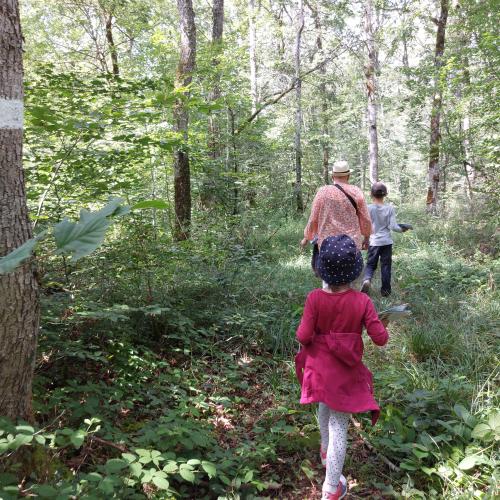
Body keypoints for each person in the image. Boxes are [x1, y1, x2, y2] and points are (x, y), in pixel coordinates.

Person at [295, 234, 389, 499]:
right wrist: (382, 324)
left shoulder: (315, 298)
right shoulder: (362, 302)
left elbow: (303, 336)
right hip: (344, 375)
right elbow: (380, 339)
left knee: (325, 406)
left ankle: (325, 451)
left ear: (322, 269)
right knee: (340, 427)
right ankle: (331, 487)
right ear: (355, 271)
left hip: (319, 372)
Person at [300, 161, 372, 276]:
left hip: (327, 245)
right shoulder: (356, 191)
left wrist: (306, 237)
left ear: (332, 176)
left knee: (328, 282)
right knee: (350, 280)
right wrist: (367, 237)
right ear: (348, 176)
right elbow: (366, 219)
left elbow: (313, 219)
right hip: (351, 244)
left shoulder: (323, 192)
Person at [361, 182, 410, 297]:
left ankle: (367, 280)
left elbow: (366, 226)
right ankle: (386, 292)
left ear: (371, 194)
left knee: (370, 265)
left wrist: (365, 239)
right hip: (386, 242)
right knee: (386, 266)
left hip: (374, 242)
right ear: (385, 195)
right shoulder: (390, 208)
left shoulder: (368, 208)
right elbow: (393, 226)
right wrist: (403, 229)